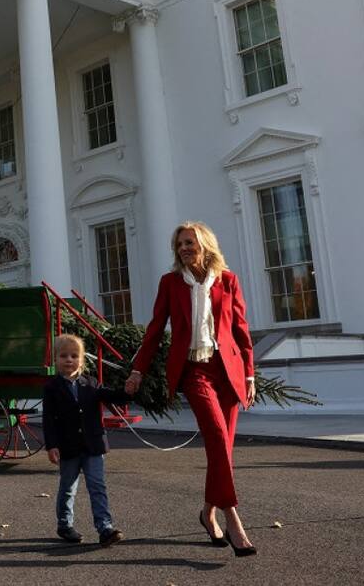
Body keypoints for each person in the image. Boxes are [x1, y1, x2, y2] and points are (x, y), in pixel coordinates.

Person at [125, 221, 258, 557]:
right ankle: (232, 518)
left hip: (227, 371)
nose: (184, 248)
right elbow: (155, 329)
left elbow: (241, 331)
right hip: (194, 371)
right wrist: (138, 369)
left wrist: (250, 376)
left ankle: (207, 513)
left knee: (223, 450)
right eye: (180, 244)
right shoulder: (170, 283)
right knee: (215, 436)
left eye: (190, 243)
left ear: (205, 246)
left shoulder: (228, 281)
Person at [42, 333, 129, 547]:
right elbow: (48, 420)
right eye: (64, 356)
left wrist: (127, 391)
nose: (69, 360)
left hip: (93, 446)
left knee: (97, 486)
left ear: (81, 359)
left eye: (74, 355)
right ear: (56, 360)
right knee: (68, 487)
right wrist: (52, 445)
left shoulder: (90, 383)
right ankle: (65, 525)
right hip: (67, 447)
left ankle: (105, 528)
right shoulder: (52, 387)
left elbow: (111, 395)